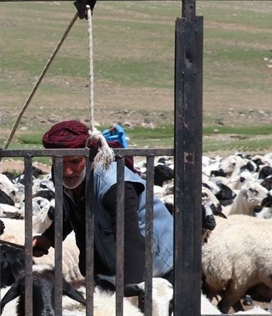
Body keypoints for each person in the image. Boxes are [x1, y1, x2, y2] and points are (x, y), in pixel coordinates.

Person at [31, 120, 174, 292]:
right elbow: (73, 210)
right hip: (111, 268)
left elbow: (130, 239)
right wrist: (49, 237)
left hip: (158, 267)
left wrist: (127, 294)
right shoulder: (63, 176)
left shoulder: (115, 185)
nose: (67, 171)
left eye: (75, 161)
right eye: (59, 162)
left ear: (88, 156)